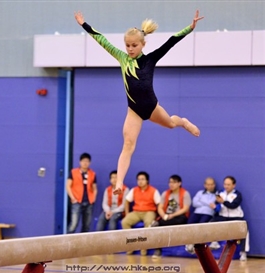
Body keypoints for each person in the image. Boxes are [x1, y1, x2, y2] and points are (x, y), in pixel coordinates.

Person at [74, 11, 203, 195]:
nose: (130, 49)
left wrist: (190, 28)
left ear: (143, 44)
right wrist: (83, 24)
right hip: (134, 111)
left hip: (152, 107)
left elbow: (171, 42)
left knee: (171, 124)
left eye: (134, 45)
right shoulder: (121, 58)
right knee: (128, 144)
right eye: (127, 45)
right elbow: (101, 40)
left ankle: (184, 121)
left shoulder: (150, 59)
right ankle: (119, 183)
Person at [209, 176, 249, 261]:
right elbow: (218, 206)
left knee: (244, 231)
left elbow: (233, 206)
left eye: (228, 184)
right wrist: (215, 207)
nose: (226, 186)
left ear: (234, 185)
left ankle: (243, 252)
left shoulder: (237, 194)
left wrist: (223, 202)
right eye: (225, 184)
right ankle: (214, 242)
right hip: (222, 216)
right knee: (210, 223)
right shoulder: (220, 193)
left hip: (236, 217)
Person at [151, 175, 191, 258]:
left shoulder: (185, 193)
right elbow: (160, 207)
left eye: (174, 182)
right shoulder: (165, 193)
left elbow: (185, 209)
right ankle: (158, 250)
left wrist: (172, 215)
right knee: (159, 226)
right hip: (167, 216)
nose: (171, 184)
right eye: (170, 182)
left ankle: (159, 223)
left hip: (179, 216)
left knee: (162, 224)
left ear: (179, 183)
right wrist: (163, 215)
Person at [122, 171, 160, 256]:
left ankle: (143, 248)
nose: (140, 181)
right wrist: (127, 213)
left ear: (147, 181)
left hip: (149, 211)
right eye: (138, 179)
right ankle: (130, 246)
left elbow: (159, 204)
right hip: (137, 212)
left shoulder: (154, 191)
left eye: (142, 179)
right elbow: (127, 201)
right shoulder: (134, 190)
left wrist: (157, 216)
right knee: (125, 222)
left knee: (148, 223)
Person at [66, 153, 98, 233]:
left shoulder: (92, 174)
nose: (85, 163)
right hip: (77, 201)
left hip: (88, 202)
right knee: (73, 224)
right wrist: (72, 198)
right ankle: (67, 242)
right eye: (83, 161)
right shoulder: (73, 172)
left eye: (87, 161)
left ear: (89, 162)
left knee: (86, 225)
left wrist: (93, 199)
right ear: (80, 162)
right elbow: (68, 186)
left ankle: (83, 245)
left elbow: (94, 188)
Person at [185, 177, 217, 254]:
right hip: (197, 212)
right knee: (189, 224)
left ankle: (196, 244)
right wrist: (208, 204)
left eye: (211, 184)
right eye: (208, 184)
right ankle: (189, 243)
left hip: (208, 213)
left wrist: (202, 201)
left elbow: (213, 205)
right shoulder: (200, 193)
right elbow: (194, 203)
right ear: (205, 185)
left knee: (201, 225)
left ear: (214, 185)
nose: (210, 186)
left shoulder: (217, 195)